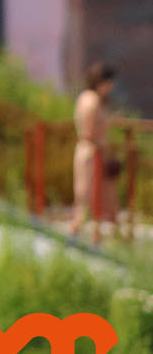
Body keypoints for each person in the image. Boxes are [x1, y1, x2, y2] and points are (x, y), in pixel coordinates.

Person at [73, 60, 119, 241]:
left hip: (87, 151)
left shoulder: (85, 97)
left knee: (89, 197)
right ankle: (82, 235)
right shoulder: (92, 101)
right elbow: (90, 132)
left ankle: (92, 234)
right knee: (88, 198)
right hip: (92, 153)